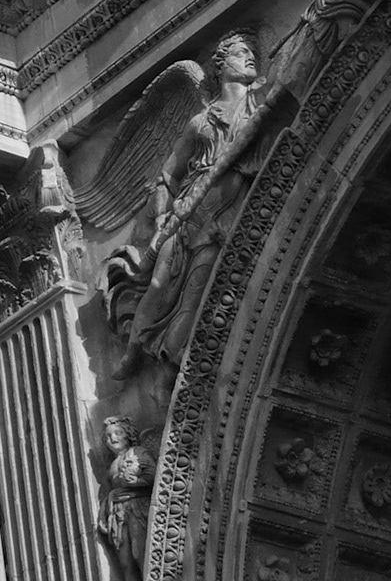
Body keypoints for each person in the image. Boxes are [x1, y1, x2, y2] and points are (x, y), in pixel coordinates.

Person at [114, 31, 280, 378]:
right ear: (220, 67)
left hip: (234, 207)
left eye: (252, 52)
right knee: (158, 287)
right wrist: (162, 215)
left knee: (198, 299)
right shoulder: (199, 122)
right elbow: (169, 175)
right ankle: (133, 350)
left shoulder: (259, 101)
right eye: (240, 53)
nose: (250, 57)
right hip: (191, 214)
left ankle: (175, 364)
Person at [96, 416, 155, 581]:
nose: (112, 438)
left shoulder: (138, 452)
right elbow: (108, 494)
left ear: (127, 434)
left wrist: (137, 482)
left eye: (117, 433)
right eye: (108, 437)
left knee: (141, 554)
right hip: (118, 515)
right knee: (126, 563)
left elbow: (153, 476)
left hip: (136, 508)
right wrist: (102, 515)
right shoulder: (112, 467)